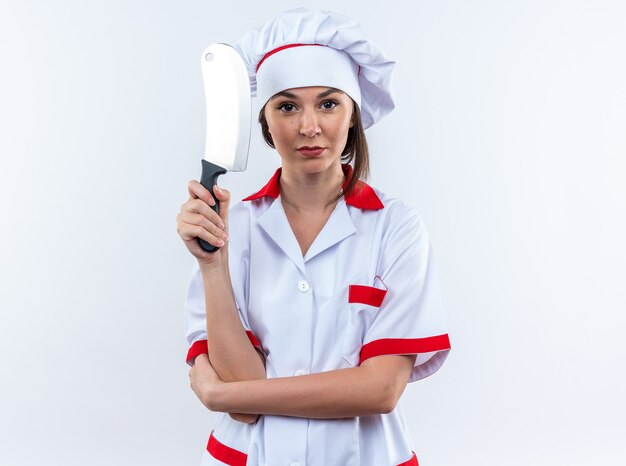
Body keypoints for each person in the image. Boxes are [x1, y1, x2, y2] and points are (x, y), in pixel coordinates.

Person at [176, 7, 451, 466]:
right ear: (264, 121)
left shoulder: (396, 227)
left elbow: (380, 390)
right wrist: (212, 265)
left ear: (352, 115)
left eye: (328, 104)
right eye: (287, 106)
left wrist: (218, 393)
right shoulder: (230, 227)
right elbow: (242, 406)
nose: (309, 127)